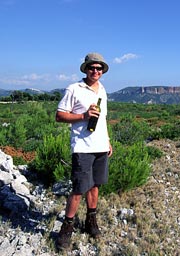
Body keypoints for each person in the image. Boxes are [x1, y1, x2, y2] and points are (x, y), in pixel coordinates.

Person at [55, 52, 113, 250]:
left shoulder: (102, 90)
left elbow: (102, 119)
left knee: (95, 185)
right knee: (79, 188)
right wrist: (83, 115)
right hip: (82, 148)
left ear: (102, 71)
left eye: (99, 68)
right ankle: (66, 229)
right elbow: (59, 116)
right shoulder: (74, 89)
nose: (95, 71)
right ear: (86, 69)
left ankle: (91, 222)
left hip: (100, 147)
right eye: (92, 67)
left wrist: (108, 141)